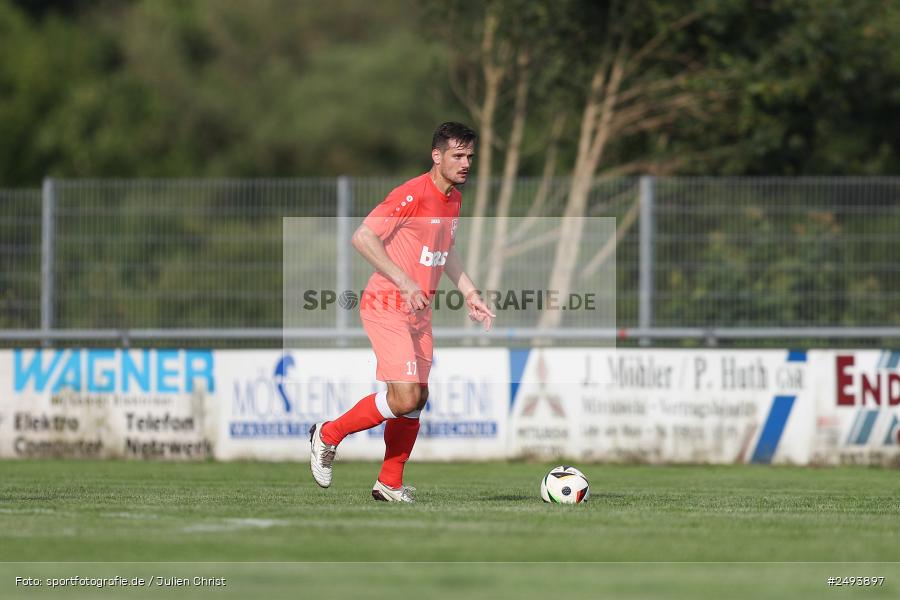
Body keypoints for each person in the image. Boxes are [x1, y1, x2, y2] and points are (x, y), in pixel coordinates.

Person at [309, 122, 495, 502]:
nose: (465, 164)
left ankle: (389, 483)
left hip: (418, 312)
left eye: (470, 157)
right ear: (437, 156)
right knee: (405, 397)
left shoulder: (453, 199)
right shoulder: (412, 194)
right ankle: (328, 434)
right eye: (458, 156)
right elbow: (363, 236)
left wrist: (470, 293)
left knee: (418, 396)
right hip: (387, 304)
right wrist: (405, 281)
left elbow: (446, 253)